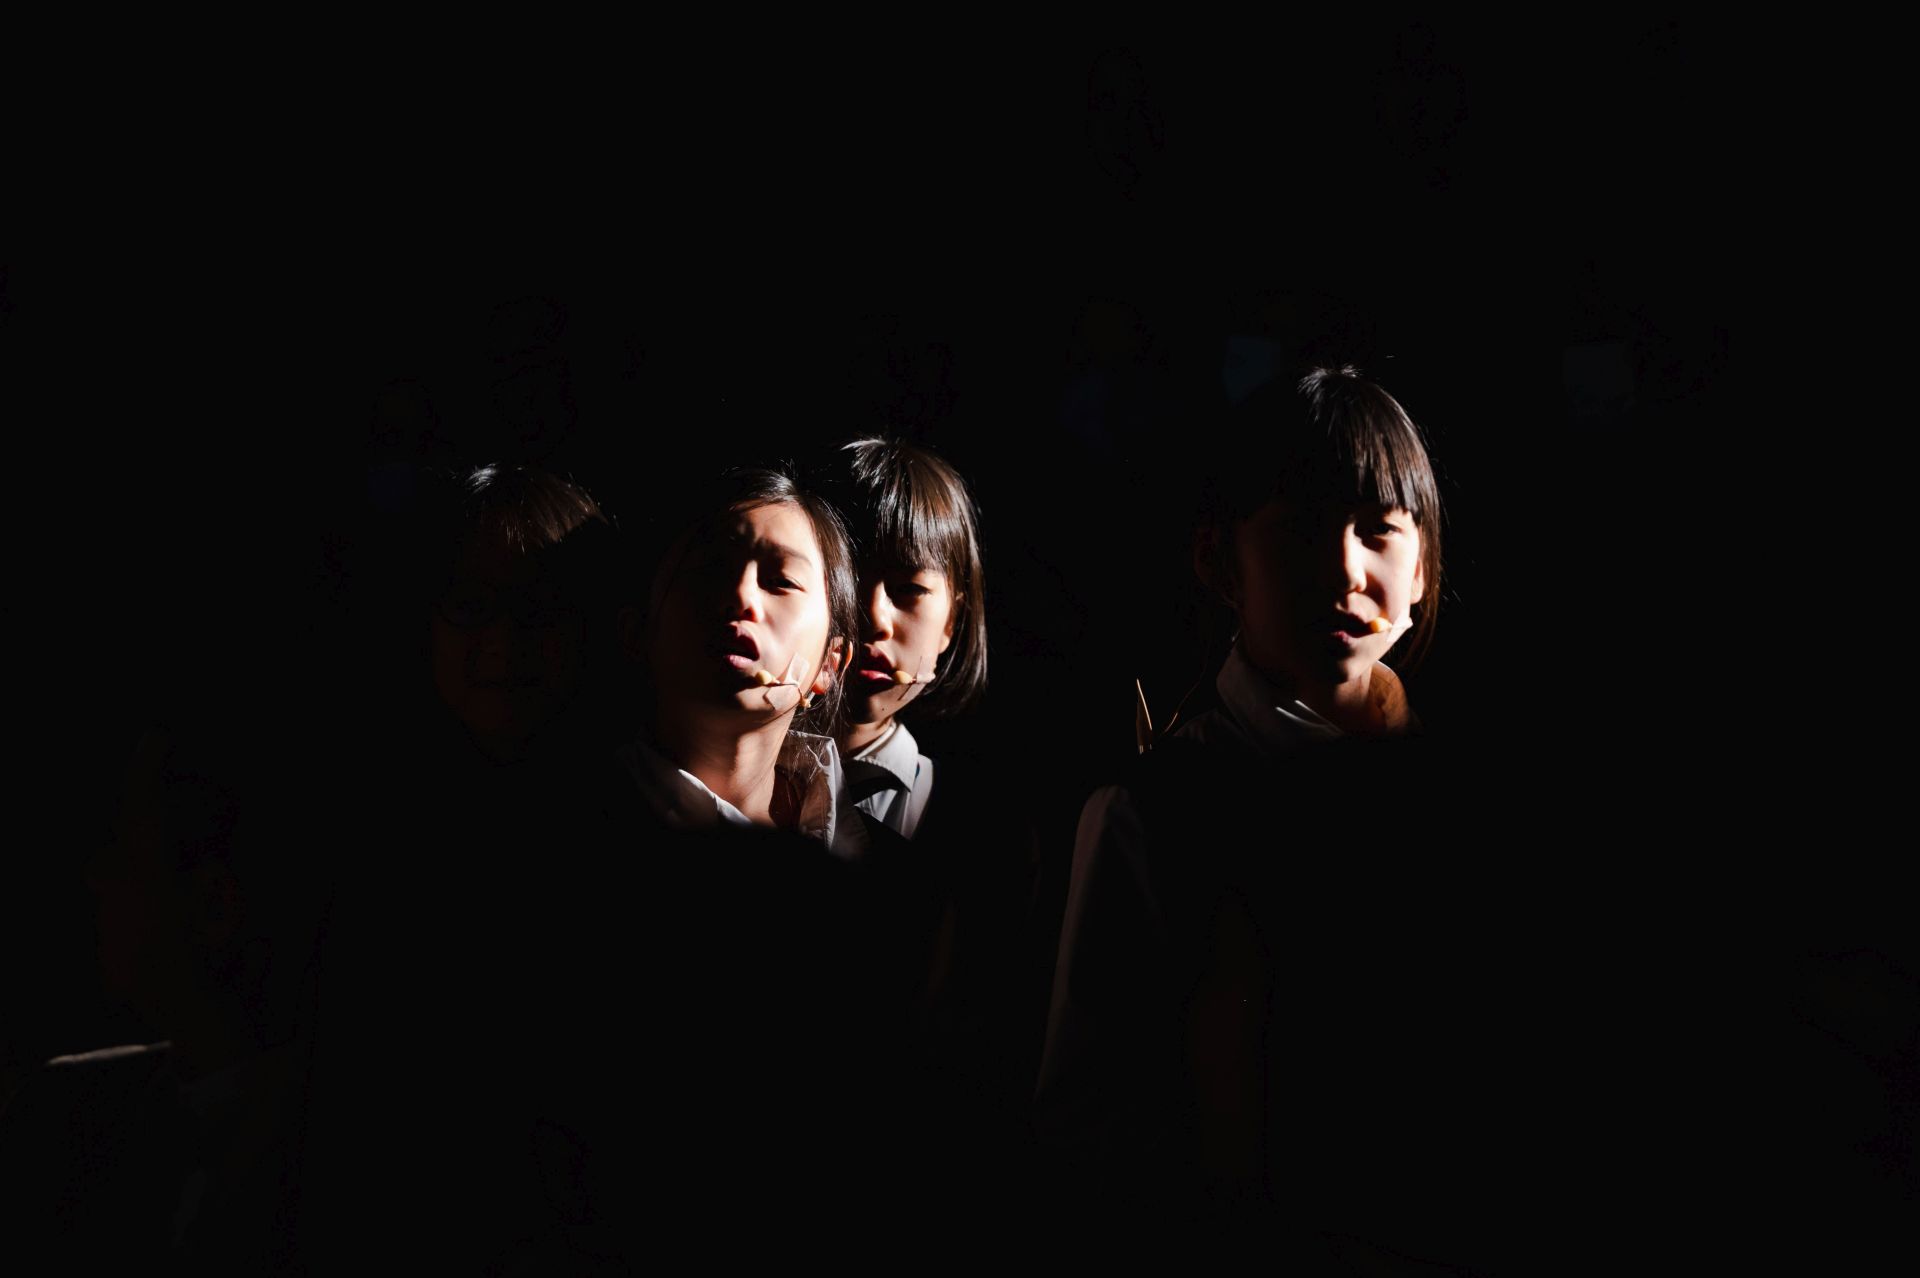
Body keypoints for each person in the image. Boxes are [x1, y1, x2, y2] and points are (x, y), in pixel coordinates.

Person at [1034, 366, 1464, 1258]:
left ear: (1421, 567)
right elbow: (1091, 1131)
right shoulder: (1151, 813)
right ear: (1218, 562)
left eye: (1379, 532)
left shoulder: (1462, 798)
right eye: (1301, 530)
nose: (1346, 571)